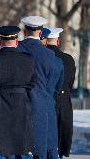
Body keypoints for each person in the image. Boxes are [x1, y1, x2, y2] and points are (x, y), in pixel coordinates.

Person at [0, 26, 36, 159]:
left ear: (0, 41)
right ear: (16, 42)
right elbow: (32, 83)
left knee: (0, 149)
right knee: (22, 148)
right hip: (22, 106)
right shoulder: (28, 59)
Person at [17, 16, 59, 159]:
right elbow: (51, 83)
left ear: (23, 31)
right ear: (41, 33)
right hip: (40, 108)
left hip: (16, 107)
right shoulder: (48, 54)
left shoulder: (16, 50)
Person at [45, 28, 76, 158]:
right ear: (57, 41)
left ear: (45, 42)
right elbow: (70, 82)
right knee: (62, 134)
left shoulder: (43, 57)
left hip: (48, 99)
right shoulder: (68, 59)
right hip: (63, 100)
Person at [41, 28, 64, 159]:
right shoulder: (58, 62)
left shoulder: (28, 58)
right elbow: (58, 87)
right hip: (49, 104)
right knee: (50, 145)